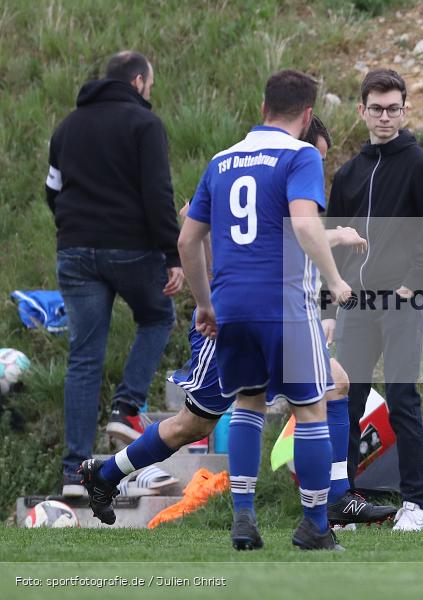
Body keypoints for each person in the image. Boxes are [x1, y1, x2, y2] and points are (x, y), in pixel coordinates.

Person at [79, 114, 394, 538]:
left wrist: (336, 234)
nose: (315, 165)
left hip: (269, 312)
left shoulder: (272, 173)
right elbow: (191, 217)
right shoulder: (259, 166)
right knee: (195, 423)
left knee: (334, 383)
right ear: (299, 133)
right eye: (315, 154)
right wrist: (212, 287)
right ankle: (107, 474)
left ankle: (336, 497)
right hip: (229, 317)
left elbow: (292, 233)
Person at [45, 50, 183, 498]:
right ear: (140, 81)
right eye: (152, 86)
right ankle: (125, 409)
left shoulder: (67, 126)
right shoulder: (145, 125)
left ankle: (73, 474)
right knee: (158, 316)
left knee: (83, 357)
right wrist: (172, 254)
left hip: (75, 251)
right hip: (130, 249)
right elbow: (158, 194)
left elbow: (52, 190)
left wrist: (74, 227)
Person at [321, 68, 423, 532]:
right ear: (362, 111)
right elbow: (329, 242)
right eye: (376, 108)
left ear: (405, 110)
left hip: (401, 302)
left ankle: (418, 503)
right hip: (354, 305)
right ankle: (344, 502)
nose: (384, 116)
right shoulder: (350, 172)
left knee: (400, 398)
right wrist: (330, 307)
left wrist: (413, 283)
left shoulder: (421, 165)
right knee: (344, 401)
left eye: (393, 108)